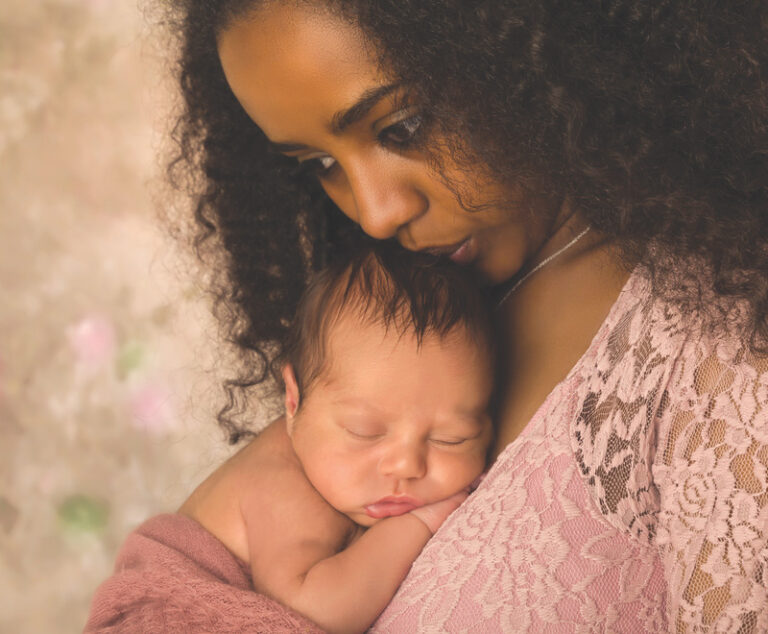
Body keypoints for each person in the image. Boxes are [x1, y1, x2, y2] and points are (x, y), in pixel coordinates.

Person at [119, 0, 763, 630]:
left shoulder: (721, 353)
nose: (375, 214)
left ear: (529, 49)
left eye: (402, 127)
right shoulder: (407, 322)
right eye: (320, 166)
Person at [177, 244, 495, 633]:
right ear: (293, 401)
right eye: (366, 432)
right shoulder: (283, 486)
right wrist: (419, 523)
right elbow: (312, 612)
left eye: (451, 439)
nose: (406, 465)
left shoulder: (335, 470)